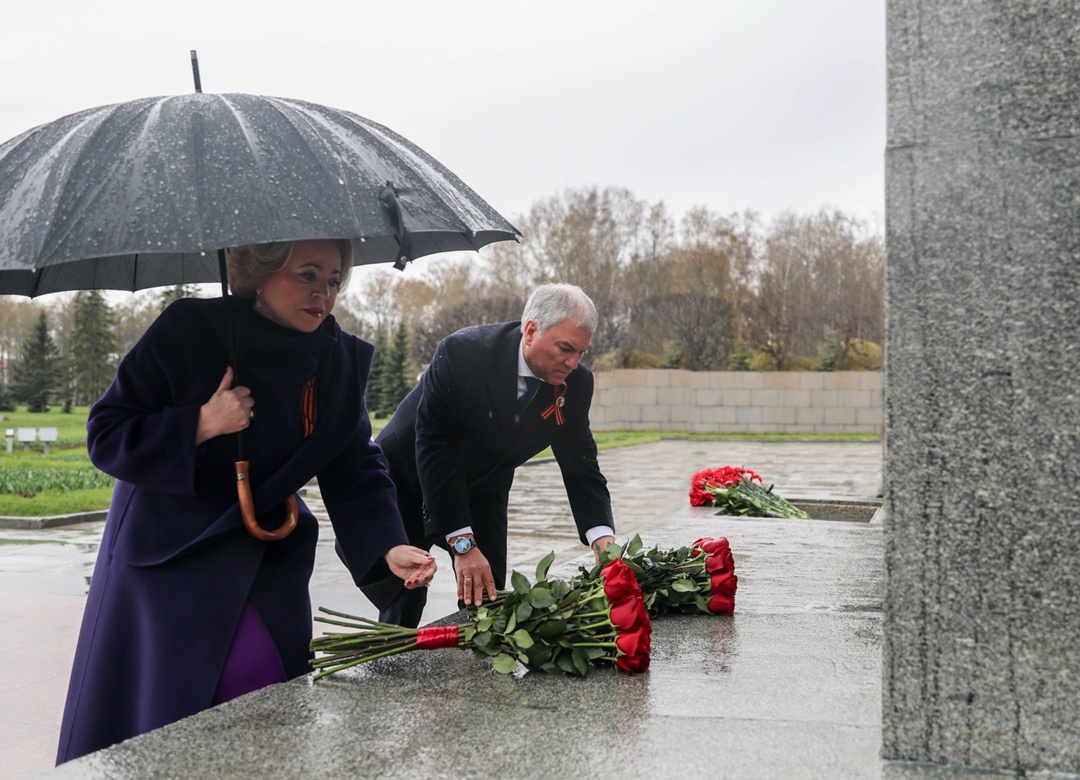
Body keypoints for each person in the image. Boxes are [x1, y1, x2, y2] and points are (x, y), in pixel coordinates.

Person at [56, 239, 435, 764]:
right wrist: (202, 422)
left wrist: (388, 545)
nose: (322, 293)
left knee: (267, 691)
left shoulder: (339, 361)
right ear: (260, 272)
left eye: (333, 279)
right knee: (177, 711)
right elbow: (106, 434)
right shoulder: (188, 330)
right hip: (171, 554)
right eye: (306, 275)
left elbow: (354, 464)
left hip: (267, 550)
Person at [361, 282, 615, 628]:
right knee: (406, 593)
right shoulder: (464, 353)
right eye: (565, 348)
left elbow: (581, 462)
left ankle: (475, 671)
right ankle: (392, 664)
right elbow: (436, 446)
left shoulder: (577, 383)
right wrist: (462, 544)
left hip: (484, 486)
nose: (573, 363)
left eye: (581, 352)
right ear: (531, 330)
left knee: (487, 594)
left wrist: (603, 538)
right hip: (409, 477)